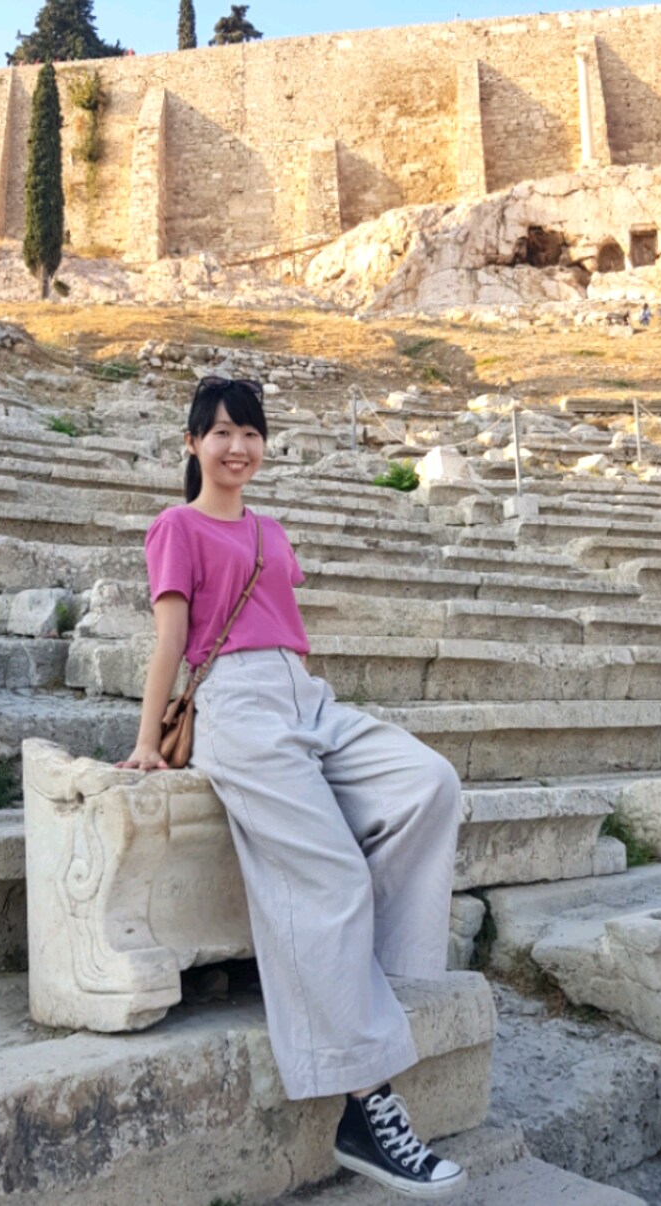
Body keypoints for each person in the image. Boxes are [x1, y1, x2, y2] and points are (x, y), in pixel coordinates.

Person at [117, 375, 467, 1199]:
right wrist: (146, 742)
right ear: (192, 443)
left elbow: (280, 626)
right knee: (331, 875)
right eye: (220, 432)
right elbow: (170, 639)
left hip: (303, 694)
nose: (237, 446)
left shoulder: (270, 531)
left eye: (250, 433)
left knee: (429, 783)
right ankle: (367, 1107)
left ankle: (350, 972)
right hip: (237, 707)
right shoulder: (176, 527)